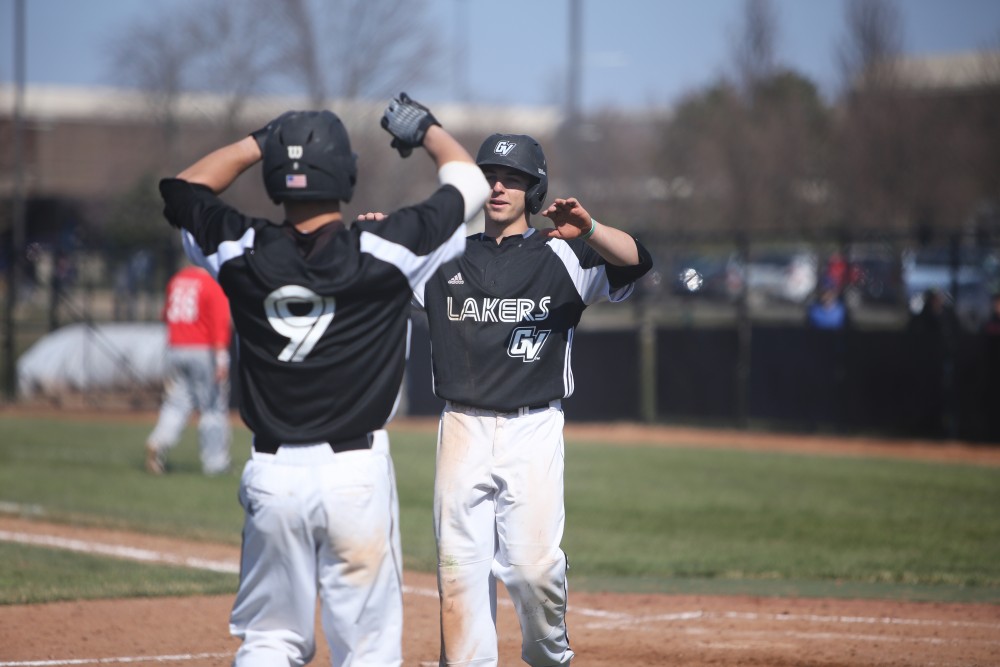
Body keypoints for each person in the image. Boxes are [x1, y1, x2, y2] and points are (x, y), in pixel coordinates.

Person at [158, 94, 489, 667]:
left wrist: (263, 142)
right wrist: (428, 130)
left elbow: (181, 190)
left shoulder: (243, 249)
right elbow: (470, 182)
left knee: (270, 641)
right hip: (353, 477)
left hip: (271, 477)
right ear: (346, 174)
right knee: (366, 652)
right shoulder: (385, 249)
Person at [416, 133, 653, 665]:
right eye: (490, 177)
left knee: (531, 569)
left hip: (532, 428)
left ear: (533, 188)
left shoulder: (562, 253)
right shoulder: (444, 256)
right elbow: (376, 273)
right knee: (459, 574)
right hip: (461, 427)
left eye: (514, 178)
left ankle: (549, 656)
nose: (499, 186)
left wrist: (588, 228)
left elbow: (637, 261)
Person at [145, 261, 233, 475]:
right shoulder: (212, 283)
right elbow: (220, 323)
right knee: (212, 407)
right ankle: (216, 463)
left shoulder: (177, 279)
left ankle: (159, 440)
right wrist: (221, 359)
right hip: (203, 350)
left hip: (175, 347)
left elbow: (164, 315)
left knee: (177, 403)